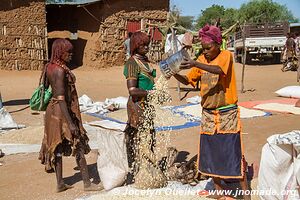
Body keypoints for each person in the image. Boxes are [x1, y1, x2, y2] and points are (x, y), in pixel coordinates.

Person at [173, 25, 250, 200]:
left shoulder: (225, 56)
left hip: (226, 113)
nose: (206, 52)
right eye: (203, 49)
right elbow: (188, 79)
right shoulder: (201, 59)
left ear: (218, 44)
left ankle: (246, 195)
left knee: (233, 152)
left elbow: (219, 71)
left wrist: (194, 62)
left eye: (209, 48)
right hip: (208, 113)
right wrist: (174, 72)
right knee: (211, 153)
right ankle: (218, 189)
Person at [38, 39, 102, 192]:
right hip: (61, 112)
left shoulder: (49, 67)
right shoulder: (60, 70)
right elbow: (60, 97)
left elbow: (49, 89)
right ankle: (87, 183)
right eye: (69, 52)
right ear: (60, 52)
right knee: (77, 143)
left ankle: (60, 183)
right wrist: (71, 123)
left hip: (52, 111)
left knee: (57, 147)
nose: (71, 55)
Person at [123, 31, 156, 183]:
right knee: (138, 138)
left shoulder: (144, 62)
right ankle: (135, 171)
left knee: (149, 138)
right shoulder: (132, 63)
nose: (146, 48)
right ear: (136, 46)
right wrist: (151, 93)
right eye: (142, 45)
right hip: (138, 105)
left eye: (147, 45)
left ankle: (147, 168)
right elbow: (132, 90)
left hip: (147, 104)